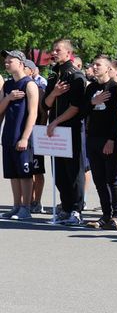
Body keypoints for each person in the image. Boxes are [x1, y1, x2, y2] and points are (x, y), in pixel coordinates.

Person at [42, 39, 87, 226]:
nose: (54, 52)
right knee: (59, 173)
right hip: (55, 131)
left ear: (68, 53)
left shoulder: (75, 75)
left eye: (58, 50)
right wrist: (54, 93)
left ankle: (77, 210)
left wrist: (56, 122)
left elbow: (75, 107)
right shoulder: (54, 75)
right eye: (53, 49)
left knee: (74, 172)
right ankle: (66, 207)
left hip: (70, 129)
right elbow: (46, 104)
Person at [81, 55, 117, 230]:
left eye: (98, 65)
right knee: (99, 179)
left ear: (108, 68)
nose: (94, 67)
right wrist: (93, 102)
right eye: (93, 64)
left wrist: (112, 139)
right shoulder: (91, 87)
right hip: (92, 138)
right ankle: (106, 215)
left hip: (109, 139)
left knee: (113, 179)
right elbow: (82, 111)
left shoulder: (116, 88)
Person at [0, 50, 39, 220]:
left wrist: (24, 137)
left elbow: (33, 113)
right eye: (6, 61)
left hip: (23, 136)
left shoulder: (29, 84)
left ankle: (26, 208)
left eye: (10, 61)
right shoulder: (7, 85)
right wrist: (8, 98)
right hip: (8, 134)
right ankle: (16, 206)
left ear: (21, 64)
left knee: (24, 173)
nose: (6, 63)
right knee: (12, 174)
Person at [25, 60, 47, 214]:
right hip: (21, 134)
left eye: (25, 67)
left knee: (37, 170)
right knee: (25, 170)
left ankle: (37, 201)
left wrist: (40, 132)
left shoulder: (38, 90)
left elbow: (44, 113)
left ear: (32, 71)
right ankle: (27, 200)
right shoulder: (18, 87)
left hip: (35, 134)